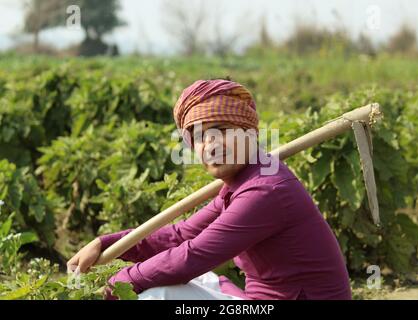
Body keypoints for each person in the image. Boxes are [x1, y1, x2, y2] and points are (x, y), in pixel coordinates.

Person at [67, 79, 352, 300]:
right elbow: (178, 236)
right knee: (185, 283)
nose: (211, 145)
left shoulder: (266, 191)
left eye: (221, 131)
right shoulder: (242, 183)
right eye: (200, 136)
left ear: (250, 133)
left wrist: (118, 283)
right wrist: (106, 244)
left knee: (155, 294)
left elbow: (192, 256)